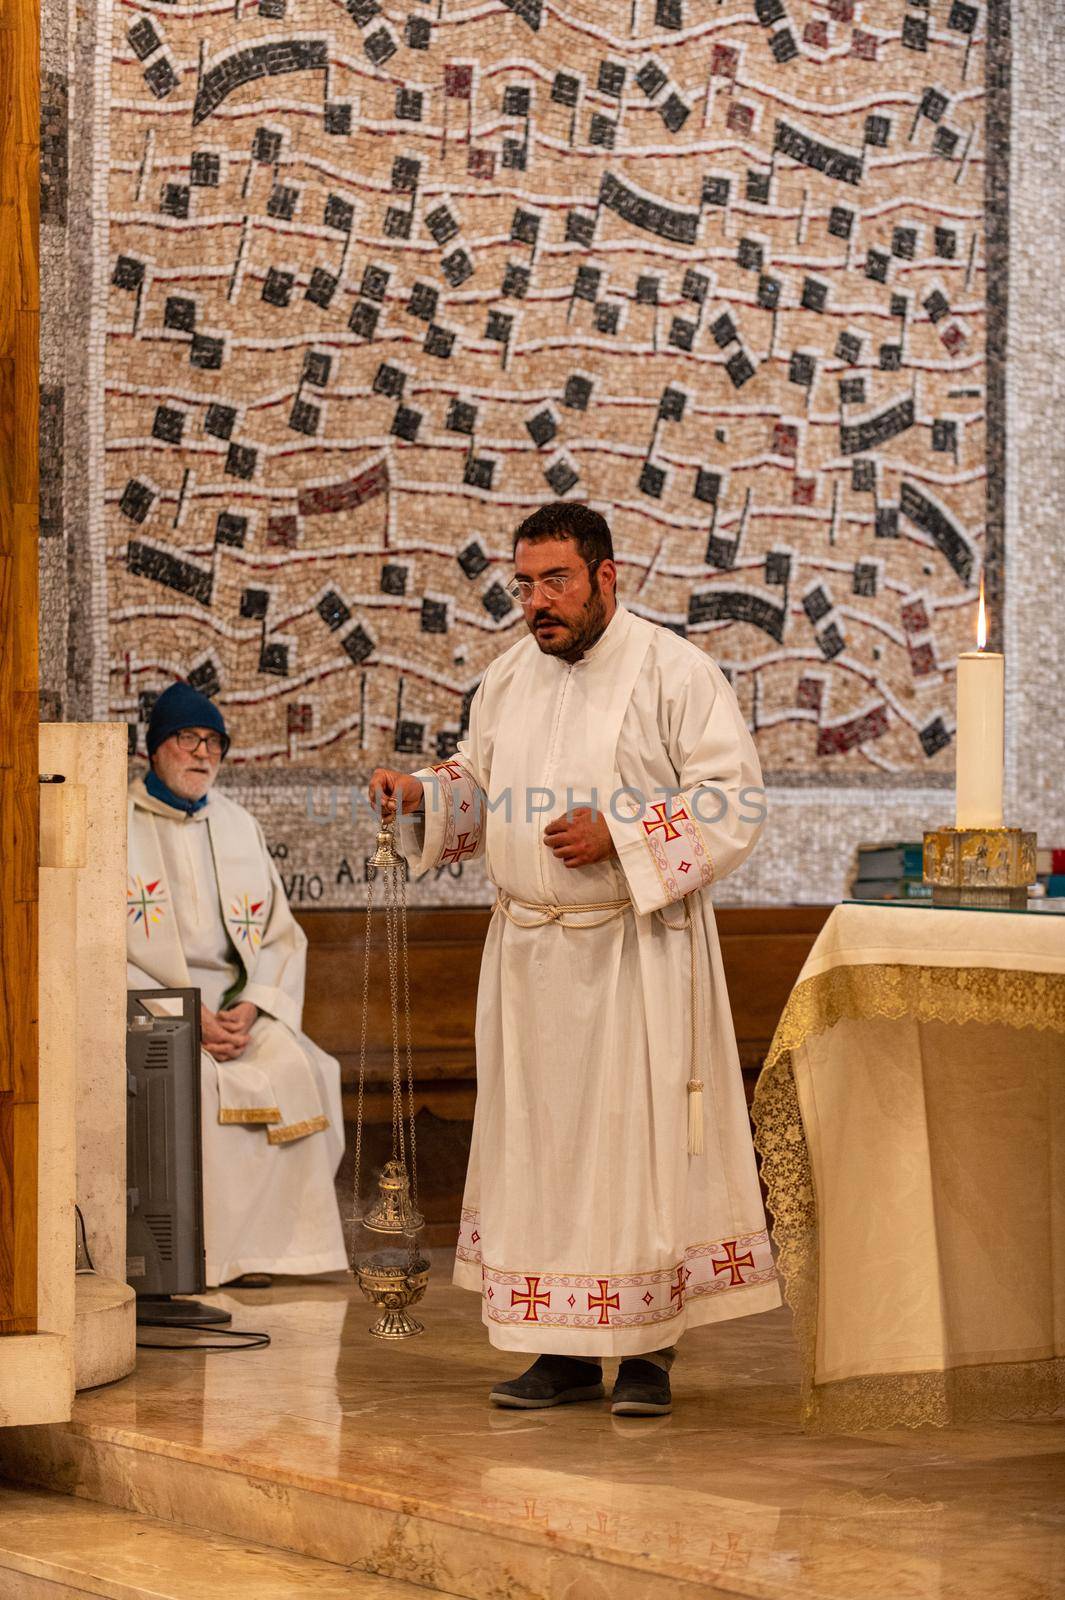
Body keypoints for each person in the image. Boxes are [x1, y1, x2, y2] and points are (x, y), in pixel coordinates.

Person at [370, 502, 779, 1417]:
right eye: (523, 583)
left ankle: (644, 1356)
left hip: (634, 957)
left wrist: (622, 833)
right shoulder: (509, 677)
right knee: (541, 1155)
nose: (536, 601)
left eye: (554, 580)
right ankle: (553, 1350)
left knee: (629, 1156)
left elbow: (734, 800)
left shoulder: (675, 671)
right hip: (527, 961)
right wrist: (421, 799)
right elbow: (478, 781)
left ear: (605, 576)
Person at [127, 682, 348, 1289]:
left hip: (232, 1006)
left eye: (213, 743)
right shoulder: (115, 825)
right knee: (192, 1084)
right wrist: (185, 1015)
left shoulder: (237, 825)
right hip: (156, 1008)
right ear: (155, 747)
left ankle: (273, 1250)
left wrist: (253, 1007)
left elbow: (280, 937)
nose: (202, 754)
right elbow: (98, 942)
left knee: (308, 1069)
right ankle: (212, 1254)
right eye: (188, 739)